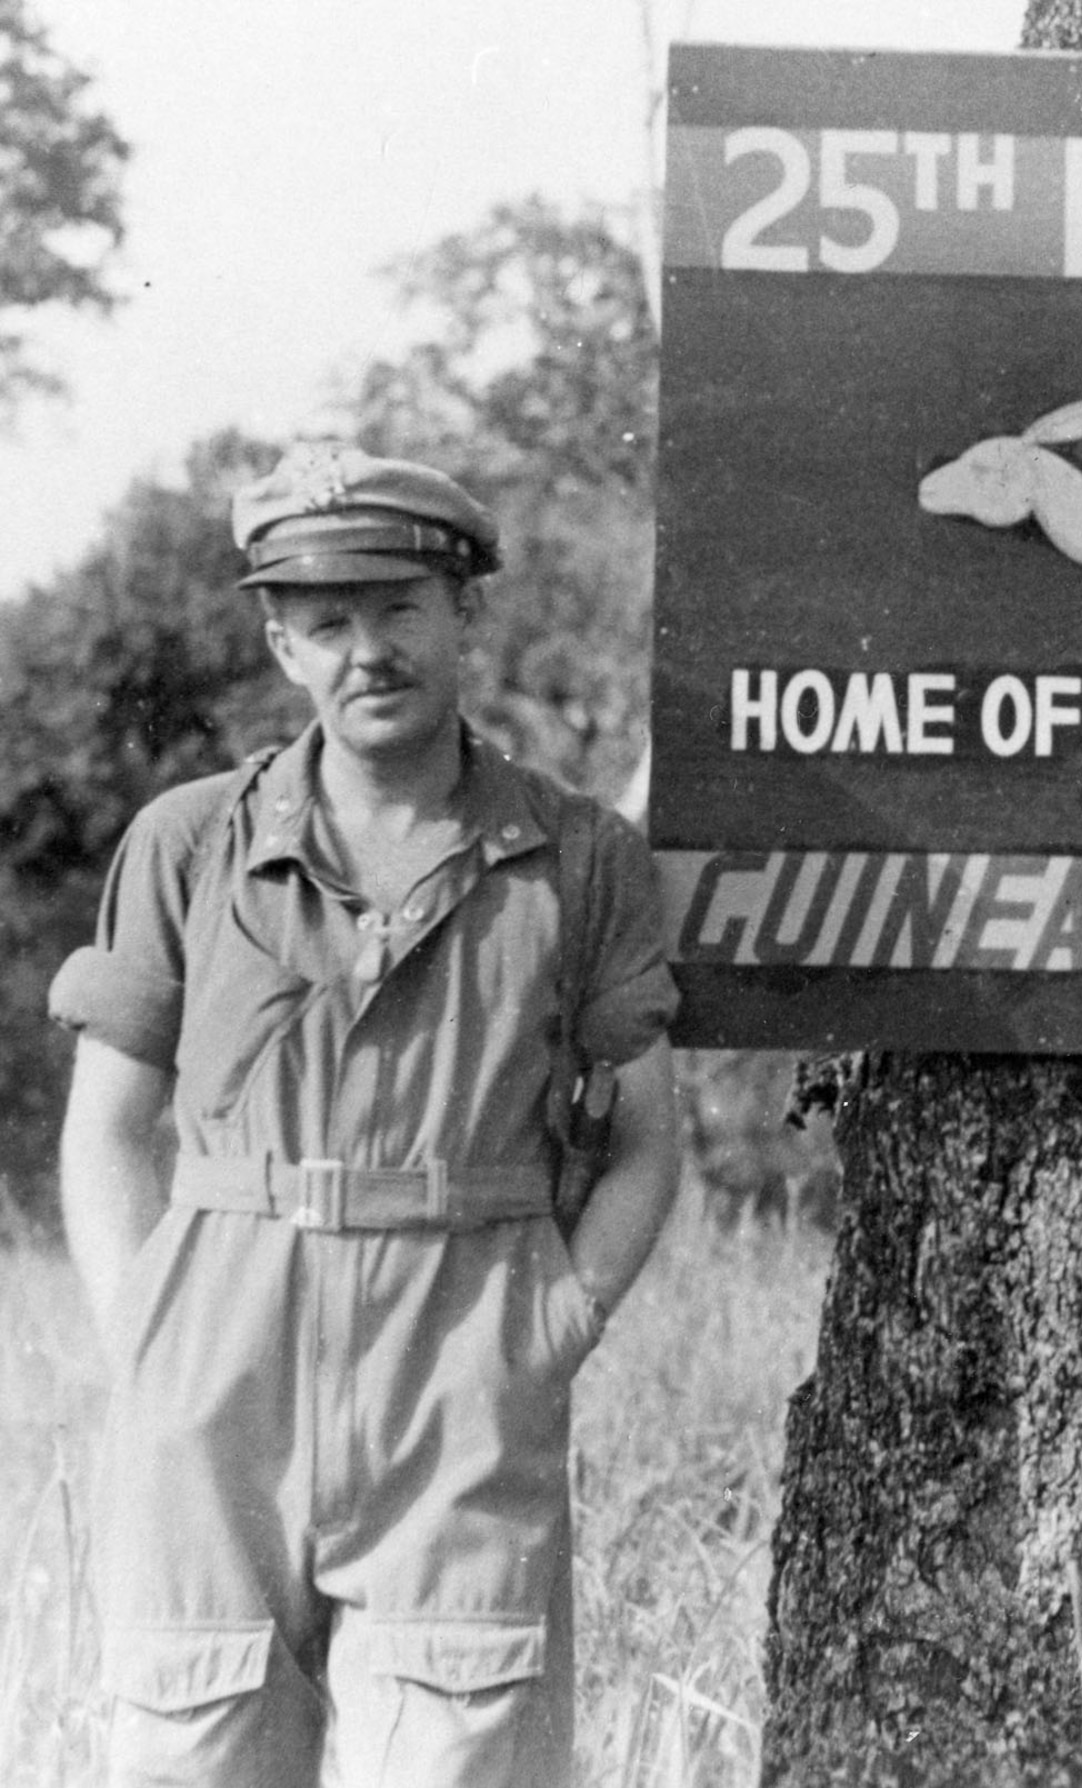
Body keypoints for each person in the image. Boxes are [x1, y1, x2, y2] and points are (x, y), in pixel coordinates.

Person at [48, 442, 682, 1786]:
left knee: (460, 1758)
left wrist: (556, 1326)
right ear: (282, 643)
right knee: (191, 1755)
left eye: (400, 608)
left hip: (462, 1359)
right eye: (326, 622)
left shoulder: (577, 856)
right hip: (218, 1367)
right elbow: (106, 1131)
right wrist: (146, 1335)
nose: (367, 651)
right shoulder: (190, 843)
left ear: (464, 615)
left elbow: (644, 1137)